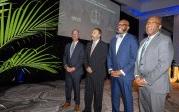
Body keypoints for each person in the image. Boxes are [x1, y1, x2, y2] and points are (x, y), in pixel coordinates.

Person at [134, 16, 174, 112]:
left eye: (153, 22)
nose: (149, 25)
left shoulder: (165, 40)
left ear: (159, 26)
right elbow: (138, 61)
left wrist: (146, 80)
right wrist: (137, 76)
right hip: (142, 84)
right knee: (144, 109)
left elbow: (164, 64)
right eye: (148, 23)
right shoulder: (143, 42)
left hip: (156, 85)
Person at [107, 19, 138, 112]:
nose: (119, 26)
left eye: (122, 24)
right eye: (118, 24)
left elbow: (134, 59)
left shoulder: (132, 39)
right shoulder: (113, 39)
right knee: (114, 98)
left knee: (127, 99)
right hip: (114, 75)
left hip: (125, 75)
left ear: (127, 27)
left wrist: (121, 71)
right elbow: (109, 56)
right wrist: (110, 69)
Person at [83, 27, 108, 112]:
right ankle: (87, 109)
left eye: (94, 32)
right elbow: (85, 58)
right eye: (92, 32)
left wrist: (92, 68)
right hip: (88, 74)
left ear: (99, 35)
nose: (92, 34)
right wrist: (86, 67)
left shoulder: (104, 45)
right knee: (88, 93)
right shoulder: (88, 44)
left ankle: (97, 110)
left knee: (98, 94)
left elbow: (103, 60)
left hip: (98, 74)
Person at [62, 29, 85, 112]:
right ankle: (67, 102)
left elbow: (82, 59)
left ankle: (77, 104)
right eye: (73, 34)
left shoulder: (81, 46)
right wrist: (65, 66)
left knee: (76, 88)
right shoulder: (67, 45)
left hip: (77, 71)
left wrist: (74, 68)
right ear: (71, 35)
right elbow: (64, 57)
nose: (74, 35)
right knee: (68, 87)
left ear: (79, 35)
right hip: (67, 70)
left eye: (76, 34)